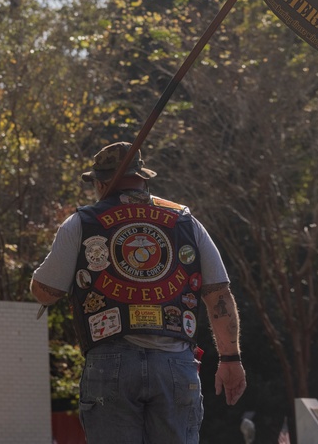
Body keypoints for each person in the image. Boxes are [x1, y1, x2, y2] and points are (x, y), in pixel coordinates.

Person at [31, 142, 246, 444]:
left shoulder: (81, 222)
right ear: (144, 178)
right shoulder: (186, 221)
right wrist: (231, 359)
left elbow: (45, 293)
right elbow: (218, 296)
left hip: (110, 363)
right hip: (175, 365)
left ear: (101, 183)